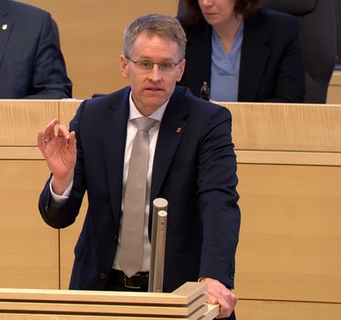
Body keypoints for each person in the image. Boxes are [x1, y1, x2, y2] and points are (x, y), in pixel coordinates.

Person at [37, 14, 240, 319]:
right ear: (124, 65)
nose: (155, 76)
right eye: (145, 64)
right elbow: (59, 218)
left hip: (177, 292)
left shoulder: (208, 123)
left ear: (181, 69)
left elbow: (219, 203)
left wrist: (214, 277)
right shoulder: (94, 116)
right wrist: (62, 180)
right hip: (100, 291)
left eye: (166, 65)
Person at [177, 0, 305, 102]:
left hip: (259, 130)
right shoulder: (181, 32)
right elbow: (172, 98)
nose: (206, 3)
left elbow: (290, 99)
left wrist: (227, 114)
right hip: (200, 132)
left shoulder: (281, 31)